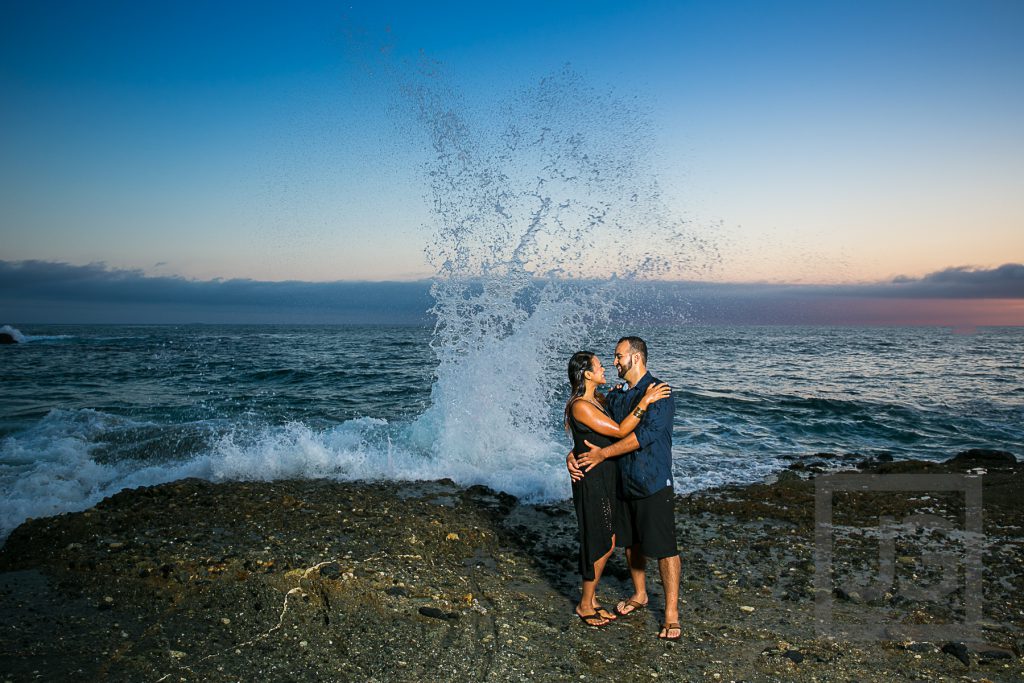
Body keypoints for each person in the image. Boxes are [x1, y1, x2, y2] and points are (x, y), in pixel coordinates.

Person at [568, 336, 682, 640]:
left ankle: (671, 613)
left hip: (653, 480)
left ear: (636, 357)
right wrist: (574, 452)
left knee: (665, 547)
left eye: (619, 357)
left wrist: (602, 454)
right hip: (622, 481)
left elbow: (641, 436)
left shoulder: (659, 392)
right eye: (612, 359)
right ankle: (640, 594)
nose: (614, 362)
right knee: (631, 543)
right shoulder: (617, 395)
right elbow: (596, 425)